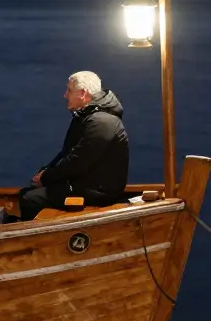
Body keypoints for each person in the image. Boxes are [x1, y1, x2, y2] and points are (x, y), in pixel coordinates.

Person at [18, 71, 130, 221]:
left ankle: (39, 241)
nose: (65, 95)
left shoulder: (102, 122)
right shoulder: (87, 117)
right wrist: (45, 173)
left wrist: (46, 178)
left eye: (69, 90)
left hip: (98, 191)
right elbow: (67, 153)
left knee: (29, 198)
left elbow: (78, 161)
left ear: (83, 93)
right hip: (85, 183)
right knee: (28, 191)